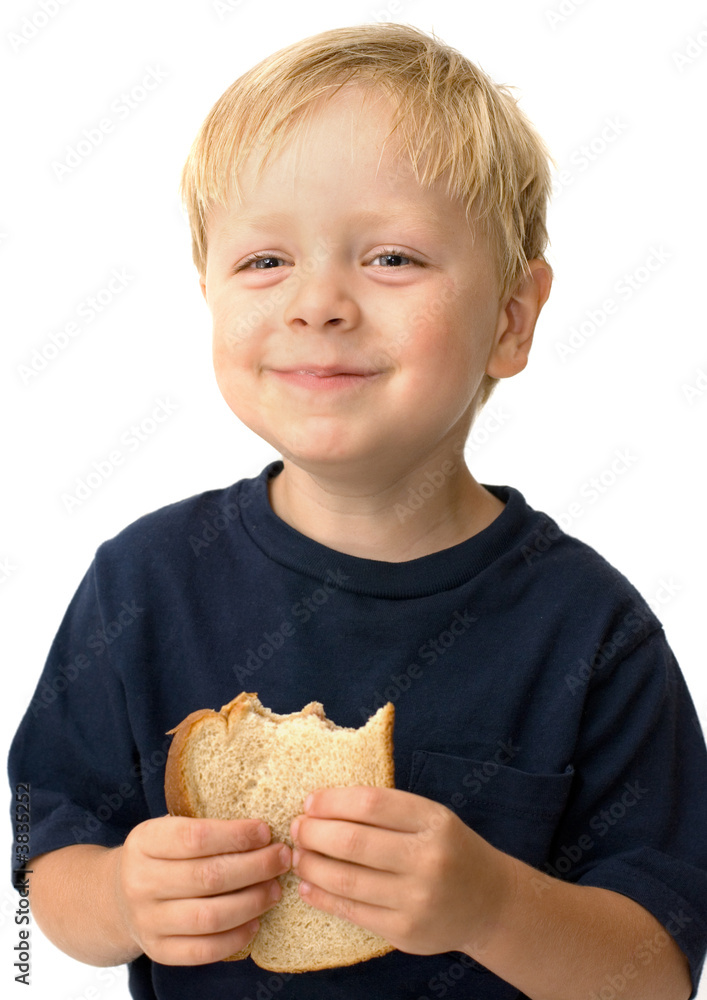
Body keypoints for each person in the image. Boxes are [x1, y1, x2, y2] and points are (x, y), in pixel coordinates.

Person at [7, 21, 707, 1000]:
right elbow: (49, 871)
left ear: (510, 319)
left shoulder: (592, 631)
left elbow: (654, 973)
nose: (318, 302)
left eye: (388, 258)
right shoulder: (143, 582)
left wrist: (489, 905)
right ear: (205, 293)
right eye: (263, 262)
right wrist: (122, 896)